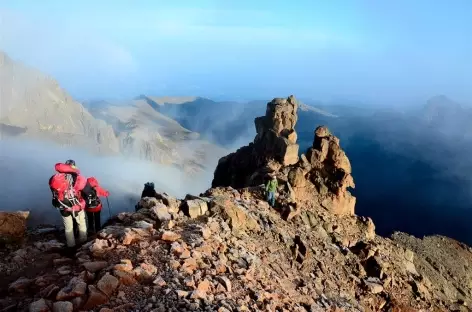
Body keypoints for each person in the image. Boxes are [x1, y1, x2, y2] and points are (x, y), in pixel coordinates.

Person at [49, 159, 88, 248]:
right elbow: (84, 190)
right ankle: (84, 243)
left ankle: (71, 246)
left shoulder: (53, 178)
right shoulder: (77, 177)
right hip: (75, 205)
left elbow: (53, 191)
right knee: (81, 223)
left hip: (62, 206)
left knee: (68, 227)